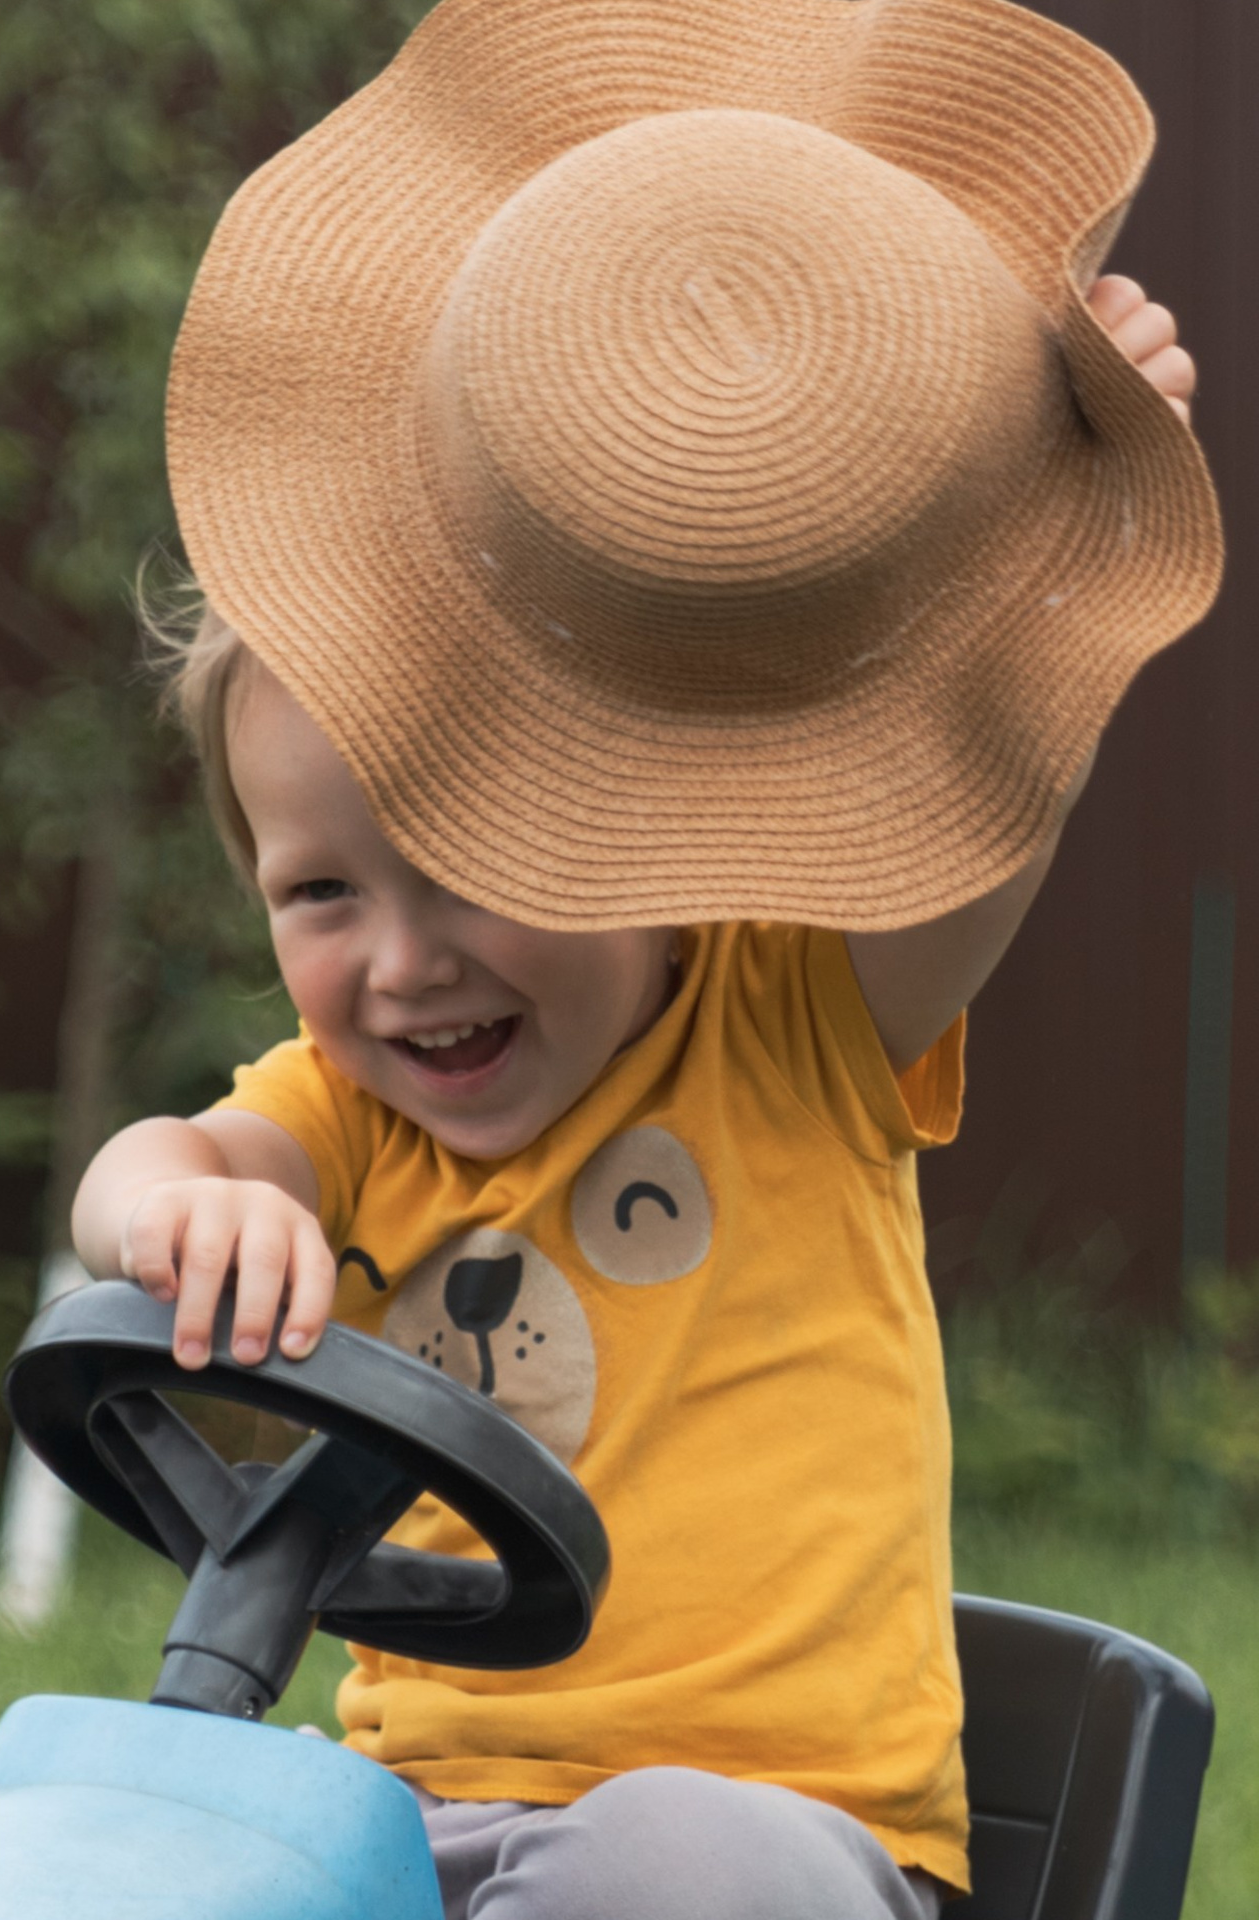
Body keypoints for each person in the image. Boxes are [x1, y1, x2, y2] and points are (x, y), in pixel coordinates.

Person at [68, 1, 1221, 1915]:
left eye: (466, 869)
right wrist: (175, 1218)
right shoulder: (341, 1122)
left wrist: (1065, 490)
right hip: (406, 1826)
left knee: (670, 1868)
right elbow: (157, 1167)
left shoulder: (802, 1024)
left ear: (654, 840)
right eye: (321, 897)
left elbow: (1001, 777)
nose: (402, 962)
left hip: (773, 1842)